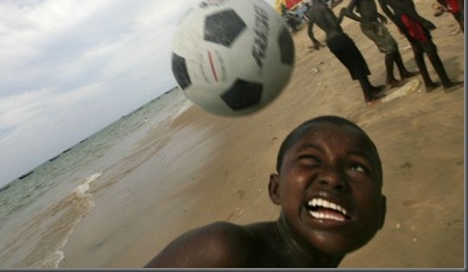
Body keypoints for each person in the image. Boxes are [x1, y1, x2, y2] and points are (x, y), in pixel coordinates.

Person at [145, 115, 387, 268]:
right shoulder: (224, 250)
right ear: (276, 189)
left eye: (357, 167)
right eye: (311, 159)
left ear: (381, 213)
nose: (333, 178)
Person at [365, 0, 462, 92]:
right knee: (429, 47)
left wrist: (398, 23)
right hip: (409, 18)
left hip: (402, 19)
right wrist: (421, 19)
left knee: (417, 49)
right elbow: (400, 5)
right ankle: (446, 82)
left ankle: (428, 82)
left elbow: (385, 8)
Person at [305, 0, 385, 104]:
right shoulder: (323, 7)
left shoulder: (310, 12)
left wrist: (315, 41)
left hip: (331, 42)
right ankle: (368, 96)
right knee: (357, 64)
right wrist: (342, 13)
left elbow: (310, 31)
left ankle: (370, 88)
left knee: (353, 66)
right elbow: (335, 25)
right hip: (340, 38)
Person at [341, 0, 418, 87]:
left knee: (393, 46)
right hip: (370, 26)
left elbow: (366, 7)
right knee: (389, 49)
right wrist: (364, 20)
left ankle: (403, 72)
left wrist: (378, 15)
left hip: (374, 23)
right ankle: (390, 78)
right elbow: (348, 12)